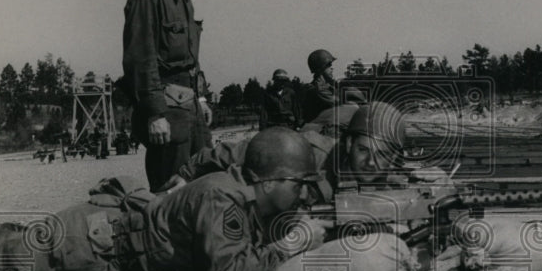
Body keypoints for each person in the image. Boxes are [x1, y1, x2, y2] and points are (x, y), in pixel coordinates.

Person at [0, 128, 327, 271]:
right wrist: (288, 247)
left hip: (93, 233)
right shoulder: (222, 198)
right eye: (299, 185)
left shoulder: (240, 193)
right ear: (270, 181)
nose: (304, 195)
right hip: (82, 248)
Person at [163, 101, 446, 197]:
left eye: (383, 156)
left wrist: (439, 183)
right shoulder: (310, 151)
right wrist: (188, 173)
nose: (372, 163)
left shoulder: (388, 175)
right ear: (347, 143)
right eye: (363, 150)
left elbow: (416, 186)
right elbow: (237, 151)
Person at [122, 0, 213, 192]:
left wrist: (200, 97)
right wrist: (154, 114)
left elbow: (190, 60)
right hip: (167, 109)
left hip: (189, 106)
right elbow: (141, 59)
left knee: (204, 176)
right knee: (170, 189)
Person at [300, 48, 338, 124]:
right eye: (329, 65)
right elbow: (340, 103)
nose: (332, 68)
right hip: (318, 130)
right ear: (321, 68)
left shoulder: (328, 86)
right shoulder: (317, 89)